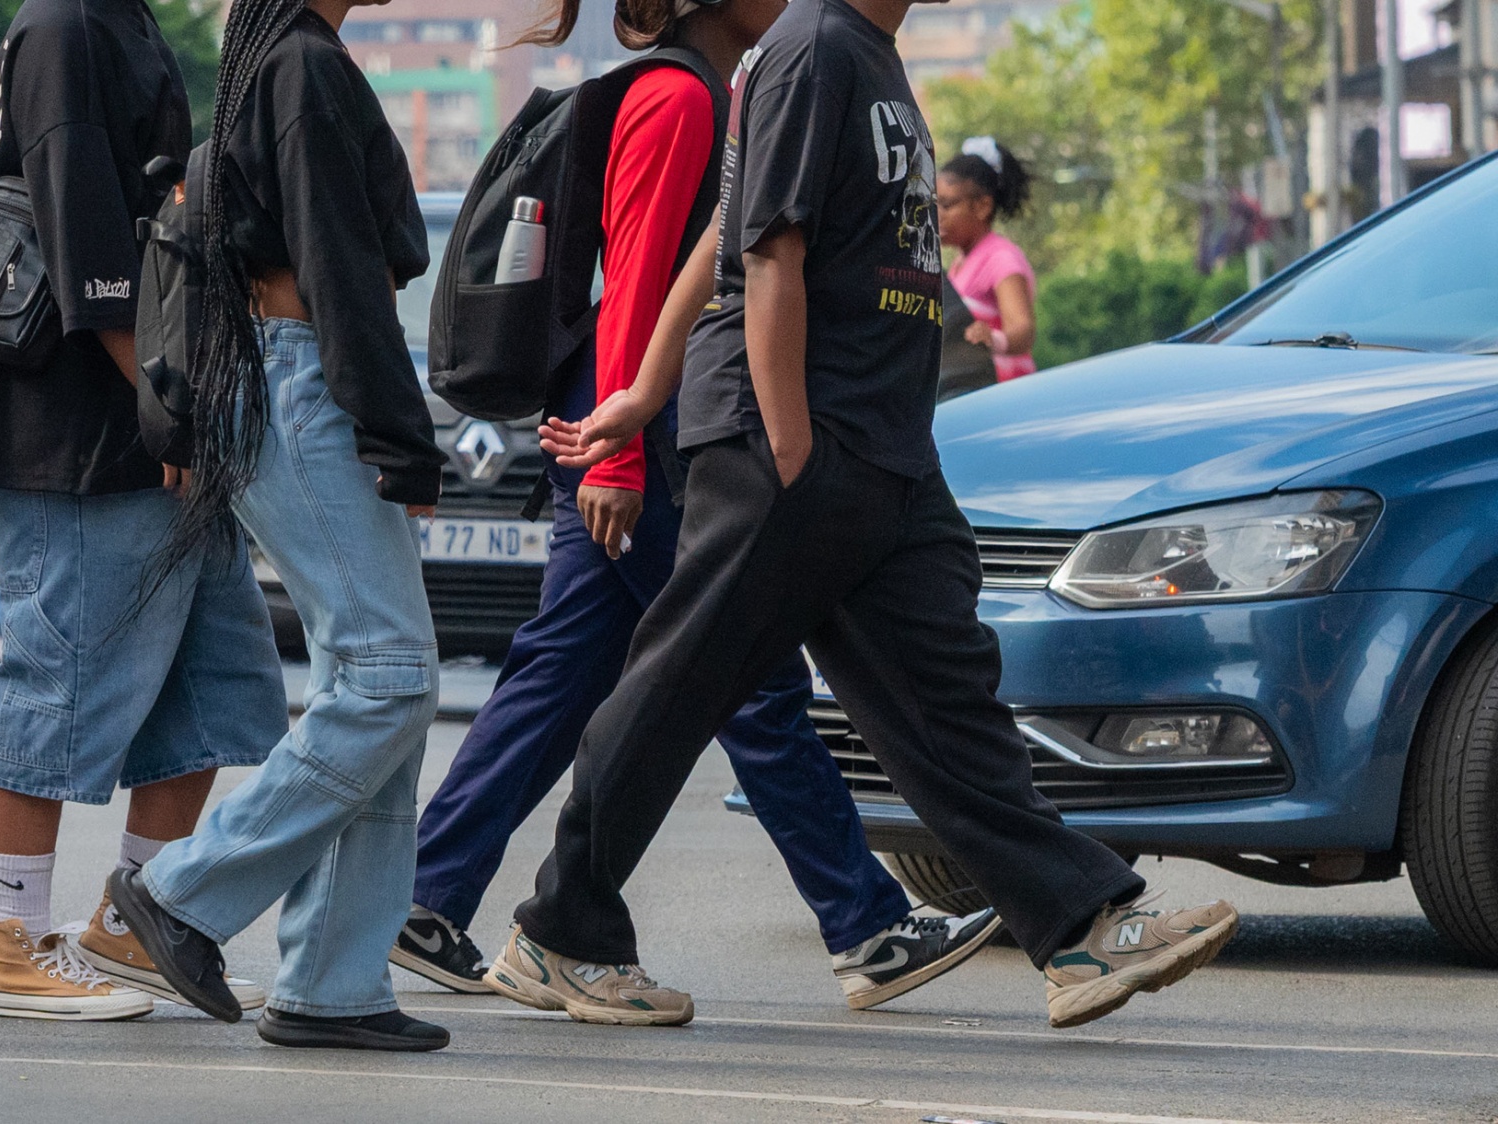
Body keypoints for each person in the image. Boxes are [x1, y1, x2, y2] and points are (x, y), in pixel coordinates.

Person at [500, 0, 1239, 1032]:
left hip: (879, 440)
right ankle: (562, 927)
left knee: (944, 695)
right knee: (681, 676)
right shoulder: (812, 47)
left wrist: (641, 386)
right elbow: (760, 251)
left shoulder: (860, 56)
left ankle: (1079, 926)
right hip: (798, 437)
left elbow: (720, 225)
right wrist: (788, 438)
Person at [390, 0, 998, 1020]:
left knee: (566, 670)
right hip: (642, 433)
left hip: (638, 423)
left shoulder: (720, 91)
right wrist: (620, 454)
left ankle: (419, 896)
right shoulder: (676, 99)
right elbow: (634, 282)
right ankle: (861, 921)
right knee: (745, 677)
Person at [105, 0, 455, 1053]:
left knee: (377, 677)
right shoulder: (301, 65)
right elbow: (340, 263)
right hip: (302, 385)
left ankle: (331, 983)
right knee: (391, 675)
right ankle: (181, 892)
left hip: (280, 380)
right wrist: (401, 431)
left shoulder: (282, 58)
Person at [0, 0, 290, 1022]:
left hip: (144, 406)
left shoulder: (118, 18)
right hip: (76, 414)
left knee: (216, 680)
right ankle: (10, 939)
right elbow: (79, 221)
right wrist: (166, 404)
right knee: (57, 673)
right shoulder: (66, 23)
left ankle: (137, 919)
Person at [939, 136, 1037, 380]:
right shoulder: (961, 263)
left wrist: (992, 339)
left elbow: (1023, 329)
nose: (936, 214)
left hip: (1006, 392)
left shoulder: (1001, 258)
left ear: (983, 206)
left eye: (947, 204)